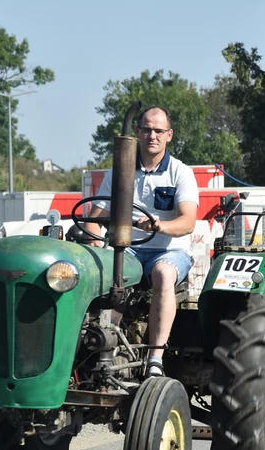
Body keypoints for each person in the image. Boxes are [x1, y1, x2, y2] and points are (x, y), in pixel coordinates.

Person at [84, 105, 199, 377]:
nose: (152, 135)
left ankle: (155, 357)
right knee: (103, 272)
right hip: (129, 251)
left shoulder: (180, 172)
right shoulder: (119, 172)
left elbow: (187, 222)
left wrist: (160, 225)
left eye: (158, 130)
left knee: (162, 273)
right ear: (137, 133)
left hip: (168, 250)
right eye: (146, 129)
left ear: (169, 135)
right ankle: (96, 348)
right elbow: (94, 217)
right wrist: (95, 243)